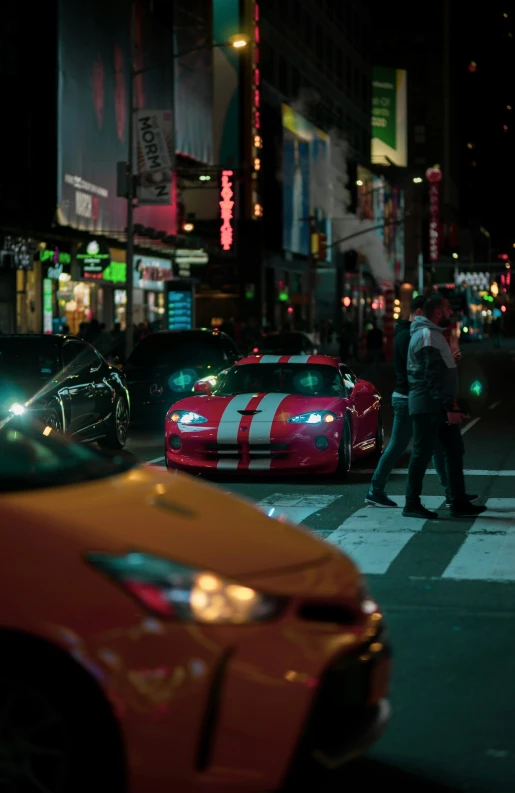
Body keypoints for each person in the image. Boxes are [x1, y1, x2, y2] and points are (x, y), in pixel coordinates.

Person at [403, 295, 486, 519]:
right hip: (428, 406)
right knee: (422, 454)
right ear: (437, 312)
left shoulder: (433, 335)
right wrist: (449, 406)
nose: (451, 312)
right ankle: (412, 503)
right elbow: (432, 376)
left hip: (436, 405)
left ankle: (458, 500)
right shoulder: (427, 336)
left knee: (454, 450)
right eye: (448, 309)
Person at [365, 296, 451, 508]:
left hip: (409, 397)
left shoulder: (406, 334)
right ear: (420, 312)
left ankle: (451, 493)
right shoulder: (407, 336)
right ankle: (377, 489)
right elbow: (416, 368)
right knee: (402, 446)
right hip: (409, 398)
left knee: (434, 446)